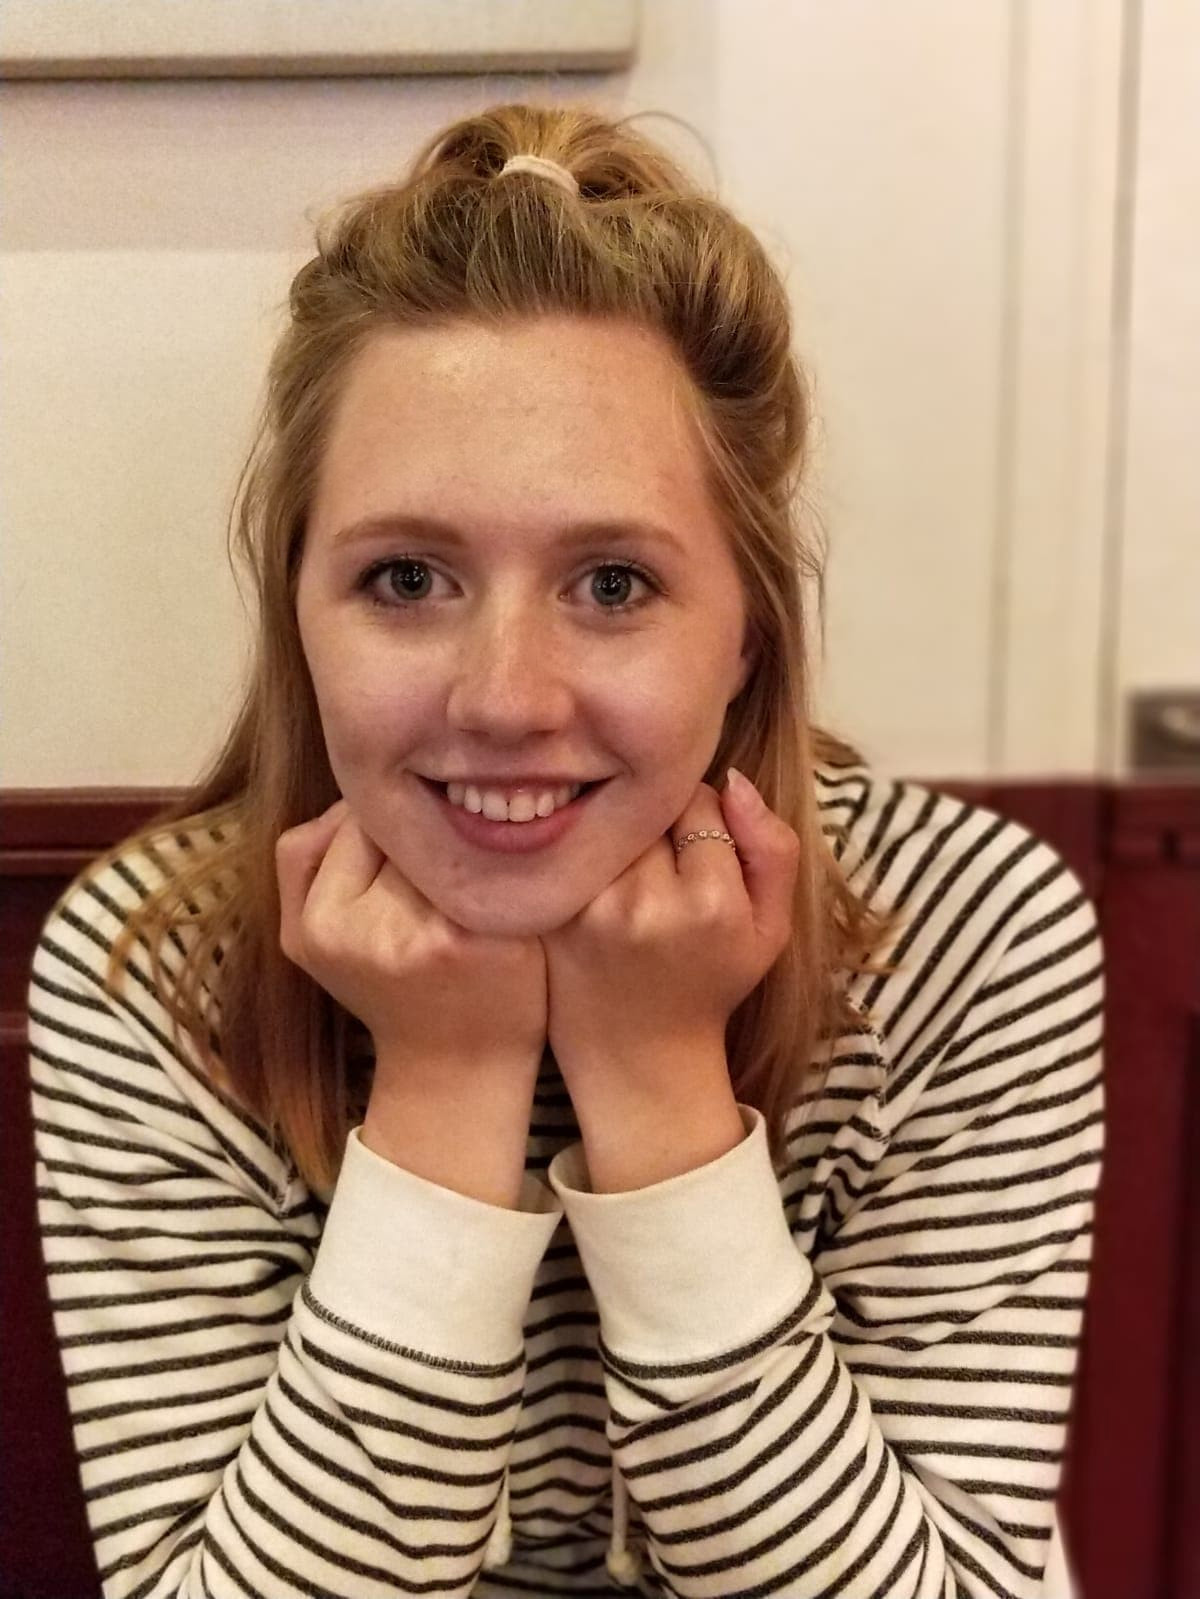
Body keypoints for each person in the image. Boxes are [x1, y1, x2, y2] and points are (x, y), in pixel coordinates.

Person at [28, 103, 1102, 1598]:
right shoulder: (152, 971)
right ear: (298, 619)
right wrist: (446, 1085)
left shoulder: (971, 933)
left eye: (612, 581)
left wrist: (661, 1090)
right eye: (406, 577)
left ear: (747, 638)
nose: (505, 698)